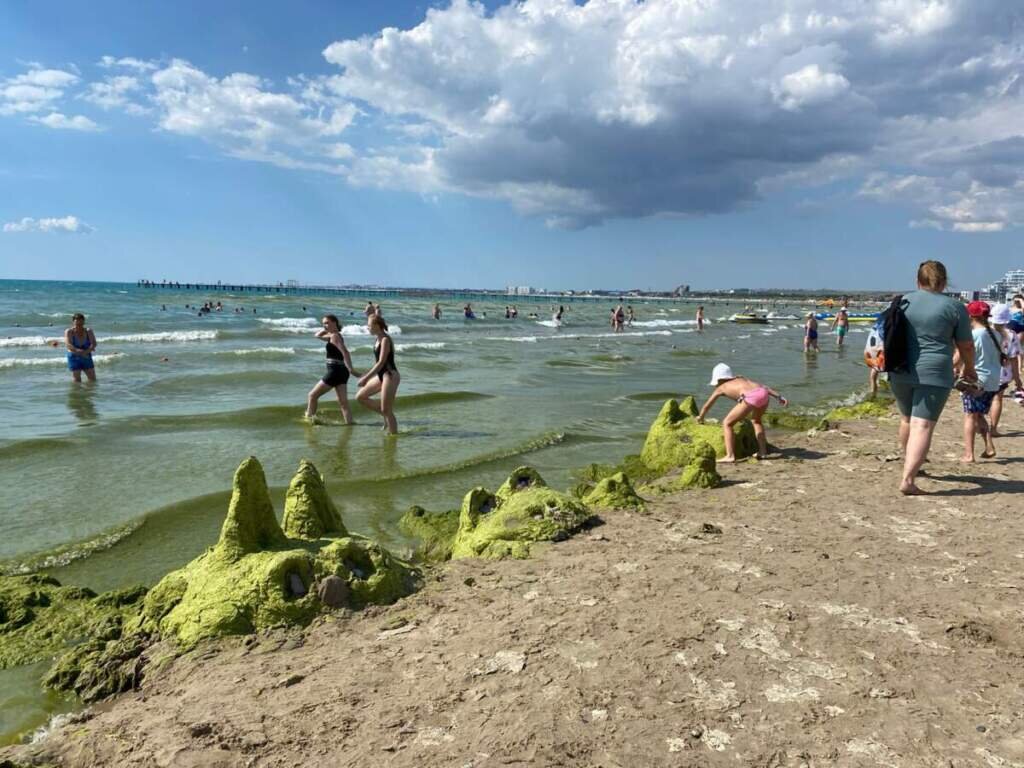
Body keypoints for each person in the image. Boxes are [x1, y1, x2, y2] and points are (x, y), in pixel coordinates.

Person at [889, 261, 975, 495]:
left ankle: (908, 460)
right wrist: (970, 369)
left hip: (899, 369)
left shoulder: (902, 301)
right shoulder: (955, 307)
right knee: (923, 424)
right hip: (935, 371)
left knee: (907, 418)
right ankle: (908, 479)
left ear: (918, 281)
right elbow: (966, 345)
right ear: (945, 282)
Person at [696, 363, 788, 461]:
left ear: (718, 379)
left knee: (727, 423)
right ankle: (763, 452)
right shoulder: (741, 378)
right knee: (757, 421)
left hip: (750, 397)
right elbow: (764, 387)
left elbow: (707, 405)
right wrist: (779, 397)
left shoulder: (721, 388)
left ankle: (730, 456)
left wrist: (700, 417)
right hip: (763, 393)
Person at [958, 301, 1002, 462]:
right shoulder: (996, 334)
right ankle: (989, 446)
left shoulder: (975, 335)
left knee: (970, 416)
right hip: (993, 380)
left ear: (970, 316)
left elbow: (963, 356)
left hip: (976, 380)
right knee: (978, 414)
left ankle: (969, 454)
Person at [306, 314, 357, 424]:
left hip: (335, 371)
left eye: (327, 322)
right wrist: (326, 328)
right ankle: (350, 424)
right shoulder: (334, 336)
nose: (325, 325)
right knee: (343, 403)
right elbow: (317, 335)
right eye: (323, 323)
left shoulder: (334, 337)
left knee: (312, 395)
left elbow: (345, 352)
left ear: (335, 322)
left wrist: (352, 369)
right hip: (342, 372)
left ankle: (309, 420)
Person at [357, 314, 401, 434]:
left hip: (390, 375)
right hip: (382, 375)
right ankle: (385, 415)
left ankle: (393, 437)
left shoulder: (385, 339)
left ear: (377, 325)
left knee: (386, 409)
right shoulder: (377, 339)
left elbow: (381, 362)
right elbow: (378, 363)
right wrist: (365, 375)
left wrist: (366, 378)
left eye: (369, 325)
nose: (367, 327)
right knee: (360, 397)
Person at [989, 303, 1022, 435]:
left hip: (981, 370)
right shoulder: (1011, 335)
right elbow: (1014, 358)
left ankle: (978, 424)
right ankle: (993, 429)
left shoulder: (982, 331)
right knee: (997, 399)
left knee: (980, 400)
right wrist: (1018, 380)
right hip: (1002, 373)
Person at [65, 313, 97, 382]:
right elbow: (68, 344)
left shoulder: (88, 331)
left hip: (86, 356)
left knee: (92, 379)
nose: (78, 326)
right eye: (77, 324)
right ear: (73, 322)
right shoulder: (69, 331)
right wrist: (80, 352)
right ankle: (77, 392)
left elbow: (93, 343)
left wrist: (86, 352)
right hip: (74, 357)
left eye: (81, 324)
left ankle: (89, 392)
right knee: (77, 379)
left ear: (84, 322)